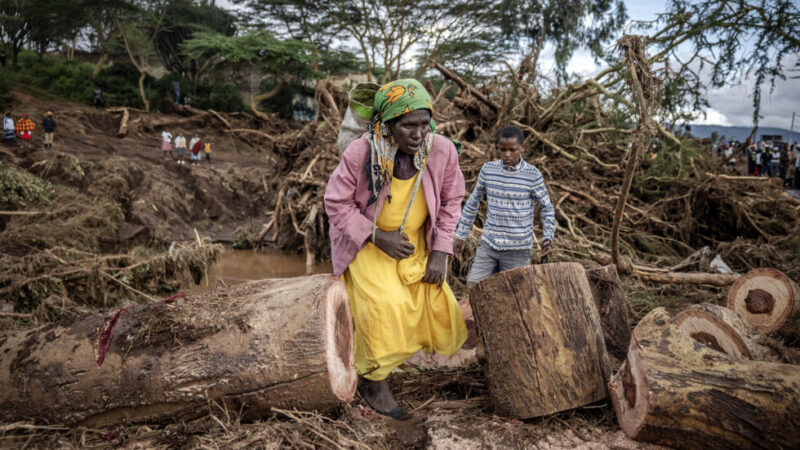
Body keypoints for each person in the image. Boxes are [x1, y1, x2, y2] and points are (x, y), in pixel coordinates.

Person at [324, 79, 467, 421]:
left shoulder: (442, 150)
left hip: (413, 241)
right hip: (367, 244)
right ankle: (375, 382)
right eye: (408, 125)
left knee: (430, 301)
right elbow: (336, 203)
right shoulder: (362, 152)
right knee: (382, 307)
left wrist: (440, 251)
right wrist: (376, 236)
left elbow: (451, 201)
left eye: (424, 123)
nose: (418, 134)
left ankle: (383, 364)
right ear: (388, 125)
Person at [453, 125, 556, 285]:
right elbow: (472, 203)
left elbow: (547, 209)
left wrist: (547, 239)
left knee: (515, 299)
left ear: (522, 148)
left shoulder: (532, 175)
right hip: (489, 245)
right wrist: (460, 235)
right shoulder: (488, 170)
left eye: (512, 150)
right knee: (473, 289)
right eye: (503, 150)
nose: (507, 154)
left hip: (518, 250)